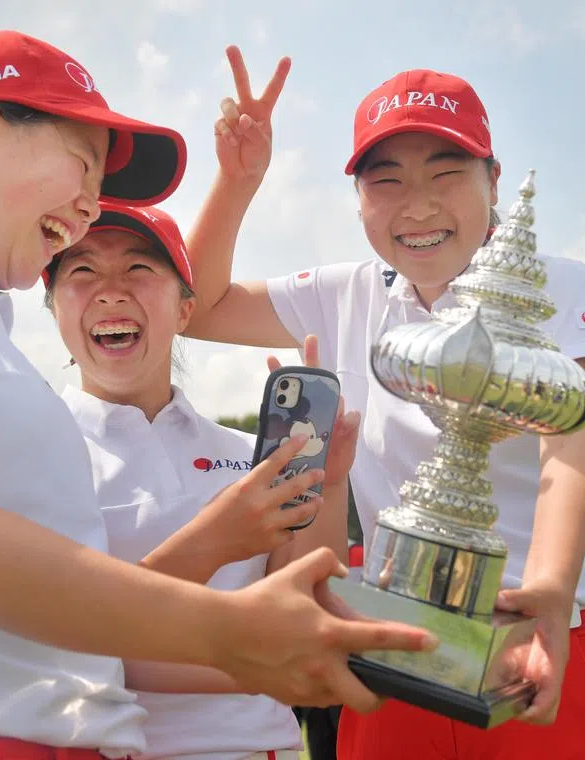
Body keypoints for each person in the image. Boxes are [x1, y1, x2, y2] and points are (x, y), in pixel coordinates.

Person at [0, 29, 436, 760]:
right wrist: (229, 629)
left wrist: (271, 647)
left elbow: (77, 638)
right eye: (82, 165)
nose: (87, 205)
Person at [182, 51, 585, 760]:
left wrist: (553, 592)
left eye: (446, 175)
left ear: (493, 181)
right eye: (387, 181)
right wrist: (238, 179)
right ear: (360, 199)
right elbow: (199, 307)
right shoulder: (347, 292)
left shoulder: (557, 284)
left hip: (546, 633)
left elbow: (576, 443)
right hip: (395, 647)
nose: (419, 206)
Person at [43, 199, 361, 760]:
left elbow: (309, 603)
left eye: (139, 269)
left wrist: (327, 484)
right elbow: (57, 643)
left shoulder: (245, 454)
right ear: (51, 307)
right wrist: (218, 545)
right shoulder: (29, 454)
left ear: (187, 309)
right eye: (82, 270)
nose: (111, 291)